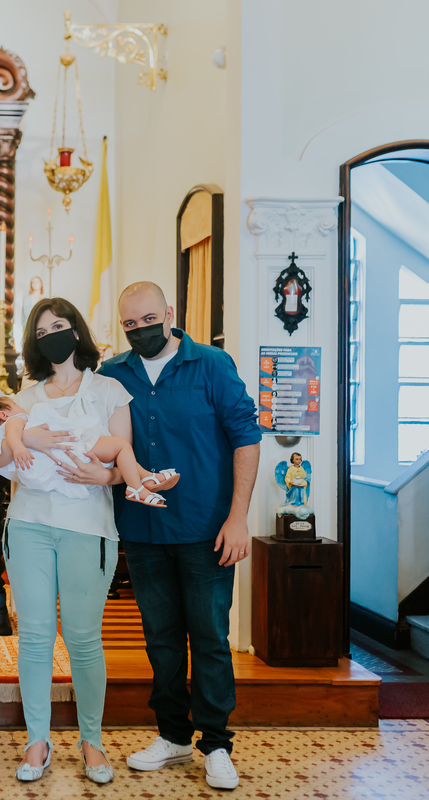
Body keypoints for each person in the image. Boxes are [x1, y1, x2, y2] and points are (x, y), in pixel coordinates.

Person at [98, 281, 260, 791]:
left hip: (205, 528)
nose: (141, 329)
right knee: (161, 639)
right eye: (130, 324)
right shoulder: (111, 374)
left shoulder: (211, 364)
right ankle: (172, 735)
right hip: (143, 530)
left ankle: (216, 744)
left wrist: (238, 517)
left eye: (149, 319)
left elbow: (247, 437)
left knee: (209, 637)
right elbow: (102, 445)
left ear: (169, 313)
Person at [0, 297, 130, 785]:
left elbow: (123, 463)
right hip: (29, 524)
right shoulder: (25, 397)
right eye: (41, 331)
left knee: (82, 637)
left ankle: (92, 740)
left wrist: (104, 475)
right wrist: (23, 440)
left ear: (76, 331)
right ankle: (38, 740)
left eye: (59, 326)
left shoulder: (110, 390)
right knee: (35, 636)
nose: (51, 335)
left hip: (87, 527)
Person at [0, 394, 178, 503]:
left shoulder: (1, 445)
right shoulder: (15, 422)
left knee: (121, 453)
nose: (20, 408)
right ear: (4, 415)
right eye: (13, 404)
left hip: (65, 460)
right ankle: (136, 488)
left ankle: (148, 478)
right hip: (71, 449)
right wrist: (19, 446)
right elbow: (13, 433)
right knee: (121, 446)